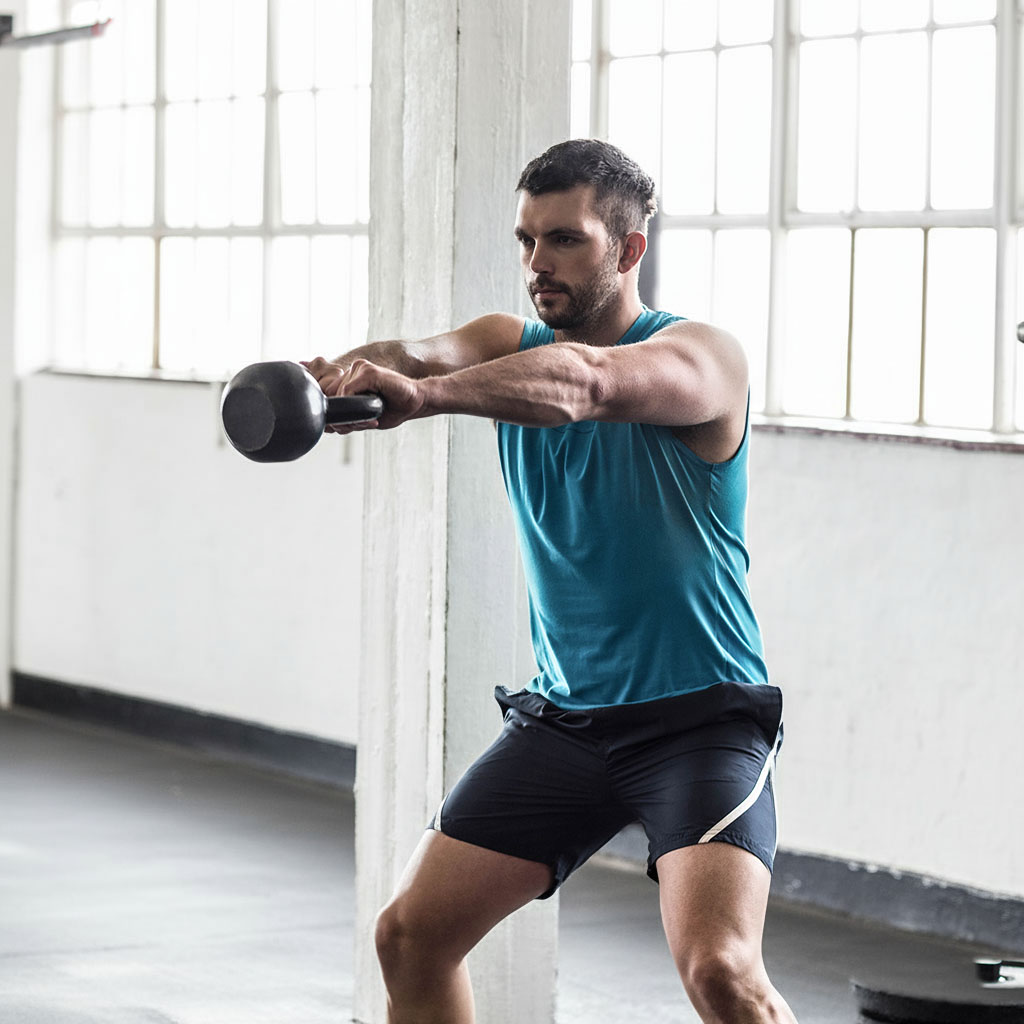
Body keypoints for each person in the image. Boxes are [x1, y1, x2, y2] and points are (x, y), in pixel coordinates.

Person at [304, 139, 798, 1024]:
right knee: (410, 938)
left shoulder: (702, 358)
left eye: (565, 240)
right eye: (527, 240)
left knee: (721, 972)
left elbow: (588, 383)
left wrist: (430, 398)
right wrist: (327, 377)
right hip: (565, 723)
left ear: (630, 249)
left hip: (699, 720)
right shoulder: (504, 345)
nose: (539, 264)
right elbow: (420, 352)